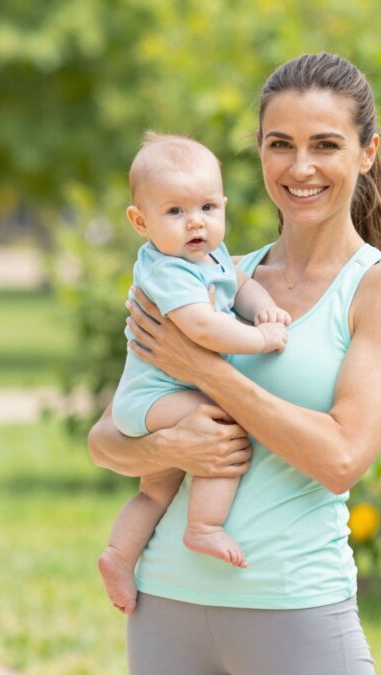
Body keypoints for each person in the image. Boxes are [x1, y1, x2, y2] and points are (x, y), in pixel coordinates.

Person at [87, 52, 381, 675]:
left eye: (325, 145)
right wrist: (169, 451)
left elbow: (342, 456)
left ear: (367, 153)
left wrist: (206, 371)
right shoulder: (213, 276)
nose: (300, 167)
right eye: (281, 144)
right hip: (166, 606)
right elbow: (105, 441)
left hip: (293, 605)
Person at [98, 133, 291, 616]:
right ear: (140, 222)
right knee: (224, 424)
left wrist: (265, 309)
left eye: (207, 206)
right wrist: (262, 340)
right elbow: (204, 329)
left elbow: (241, 286)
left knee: (155, 489)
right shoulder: (167, 271)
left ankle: (119, 556)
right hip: (154, 397)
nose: (195, 222)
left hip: (154, 397)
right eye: (175, 212)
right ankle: (203, 526)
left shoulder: (211, 257)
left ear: (223, 205)